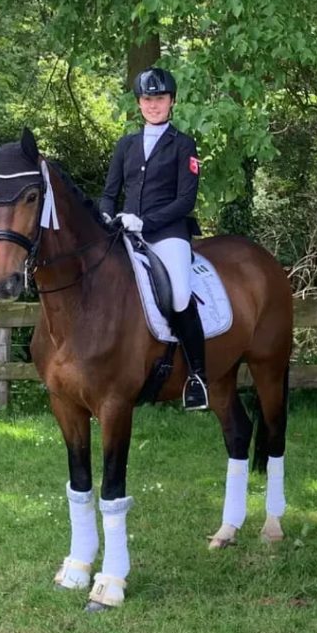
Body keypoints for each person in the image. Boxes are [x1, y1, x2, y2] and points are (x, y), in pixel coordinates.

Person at [100, 66, 208, 411]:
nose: (153, 105)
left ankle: (197, 377)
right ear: (139, 103)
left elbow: (185, 201)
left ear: (171, 102)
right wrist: (106, 215)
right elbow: (109, 192)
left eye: (159, 98)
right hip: (125, 232)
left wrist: (144, 222)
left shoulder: (184, 145)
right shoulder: (126, 144)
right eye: (147, 99)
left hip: (168, 234)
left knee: (178, 294)